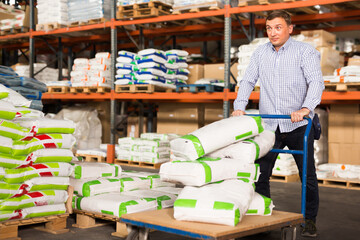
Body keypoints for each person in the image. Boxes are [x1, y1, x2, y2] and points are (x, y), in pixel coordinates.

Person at [232, 10, 324, 237]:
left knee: (307, 176)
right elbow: (247, 81)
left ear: (290, 28)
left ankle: (310, 220)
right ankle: (264, 213)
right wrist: (239, 106)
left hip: (298, 124)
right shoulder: (260, 53)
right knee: (261, 173)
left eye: (278, 27)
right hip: (270, 124)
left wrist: (305, 109)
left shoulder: (305, 52)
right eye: (269, 28)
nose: (273, 32)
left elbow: (316, 83)